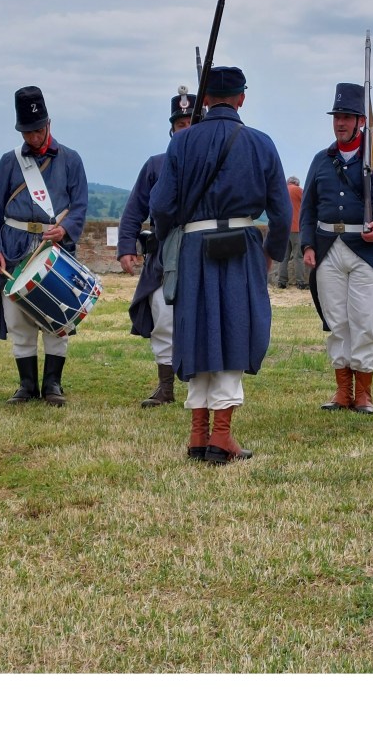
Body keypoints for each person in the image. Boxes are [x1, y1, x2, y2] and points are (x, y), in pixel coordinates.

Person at [149, 66, 292, 464]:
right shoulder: (261, 143)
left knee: (194, 332)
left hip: (193, 246)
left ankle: (199, 435)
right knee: (235, 332)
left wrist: (173, 240)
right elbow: (281, 213)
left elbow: (160, 205)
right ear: (242, 98)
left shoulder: (182, 142)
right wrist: (270, 252)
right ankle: (221, 436)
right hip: (242, 247)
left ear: (206, 99)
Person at [0, 85, 88, 406]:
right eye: (27, 132)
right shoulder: (9, 162)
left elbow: (80, 206)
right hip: (14, 246)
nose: (33, 137)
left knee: (56, 315)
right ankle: (27, 385)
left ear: (48, 124)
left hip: (54, 249)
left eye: (38, 130)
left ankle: (53, 384)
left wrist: (65, 229)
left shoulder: (71, 159)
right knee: (17, 318)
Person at [299, 82, 373, 414]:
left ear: (361, 121)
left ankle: (364, 393)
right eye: (337, 117)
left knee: (364, 321)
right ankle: (343, 391)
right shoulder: (321, 160)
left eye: (346, 117)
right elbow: (308, 209)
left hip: (366, 251)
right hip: (328, 248)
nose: (340, 123)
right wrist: (307, 244)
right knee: (336, 321)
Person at [117, 87, 193, 407]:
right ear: (172, 129)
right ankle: (165, 387)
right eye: (180, 125)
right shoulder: (155, 165)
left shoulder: (213, 165)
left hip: (200, 249)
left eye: (191, 124)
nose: (185, 130)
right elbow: (135, 209)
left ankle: (203, 387)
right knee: (162, 314)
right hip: (163, 253)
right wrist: (126, 246)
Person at [277, 176, 307, 289]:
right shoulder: (298, 190)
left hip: (283, 229)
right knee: (298, 257)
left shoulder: (281, 191)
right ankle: (300, 282)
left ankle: (282, 282)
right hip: (296, 228)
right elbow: (308, 204)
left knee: (284, 257)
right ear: (296, 183)